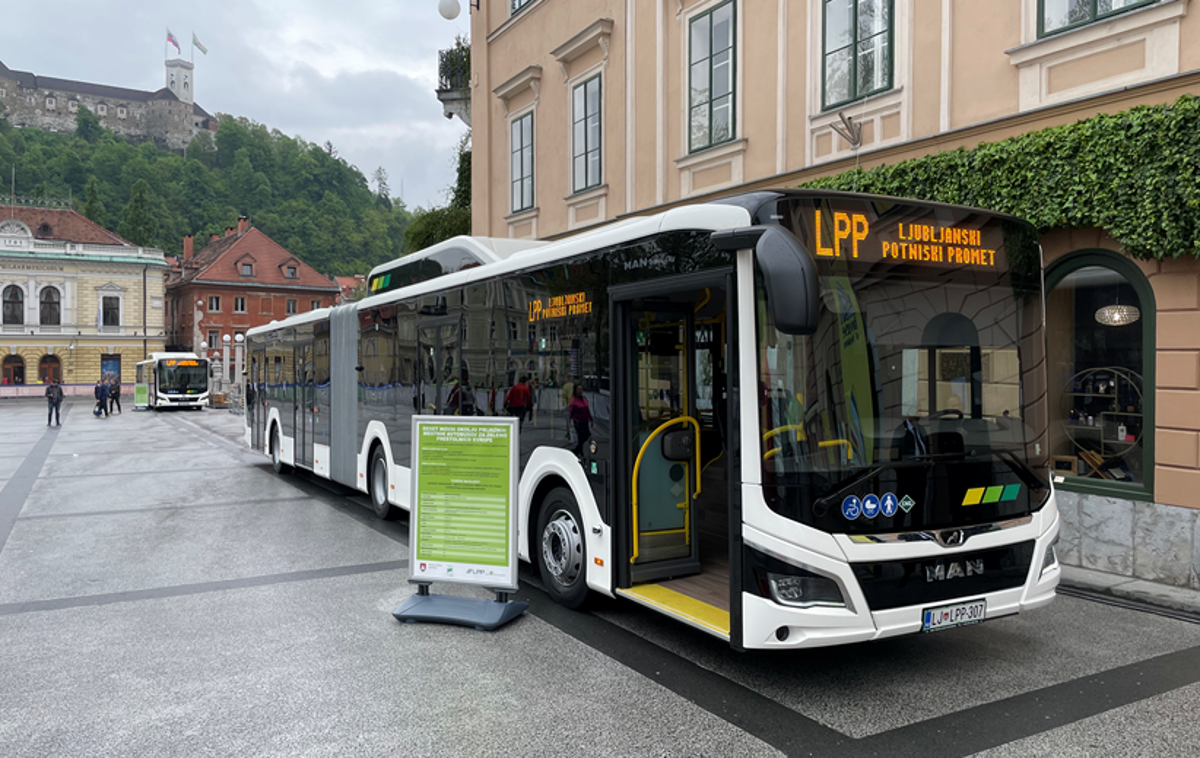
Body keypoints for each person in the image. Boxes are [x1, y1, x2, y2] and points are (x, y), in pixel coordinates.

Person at [566, 383, 592, 458]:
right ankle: (579, 452)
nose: (580, 391)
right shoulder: (574, 401)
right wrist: (569, 422)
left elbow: (587, 410)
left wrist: (590, 419)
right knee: (581, 437)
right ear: (575, 390)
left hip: (585, 421)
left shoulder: (584, 399)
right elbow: (570, 412)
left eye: (581, 389)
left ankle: (576, 451)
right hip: (578, 422)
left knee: (587, 436)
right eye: (578, 389)